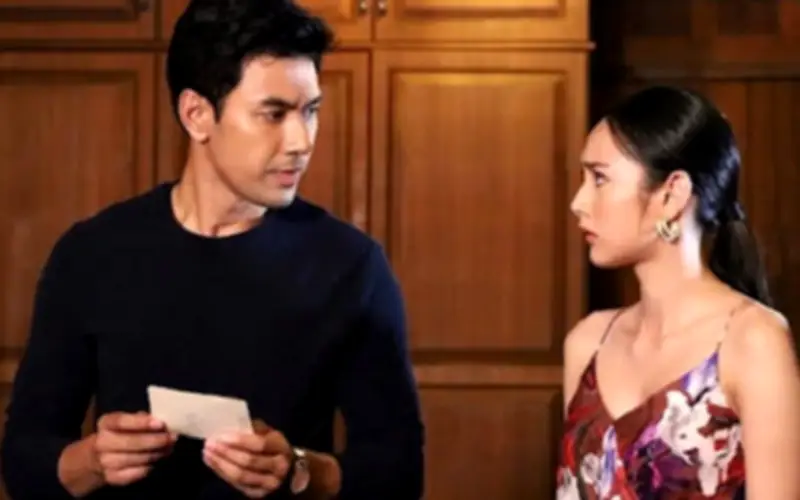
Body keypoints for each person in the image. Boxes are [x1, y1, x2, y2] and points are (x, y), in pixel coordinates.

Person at [0, 1, 424, 499]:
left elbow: (400, 472)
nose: (301, 141)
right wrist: (93, 461)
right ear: (197, 115)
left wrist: (302, 471)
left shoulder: (351, 266)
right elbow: (24, 460)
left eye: (310, 111)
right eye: (273, 114)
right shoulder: (91, 255)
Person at [557, 85, 800, 499]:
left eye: (600, 178)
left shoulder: (753, 342)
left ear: (672, 194)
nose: (579, 202)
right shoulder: (587, 343)